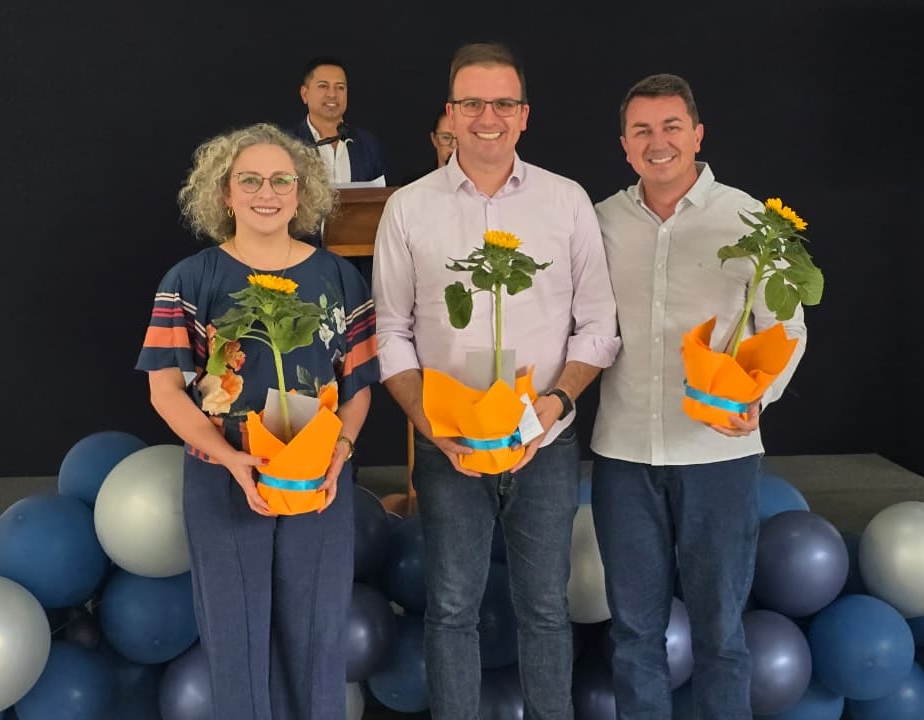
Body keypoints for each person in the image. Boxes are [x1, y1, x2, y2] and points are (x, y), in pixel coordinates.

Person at [372, 42, 620, 719]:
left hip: (546, 443)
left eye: (504, 103)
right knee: (451, 608)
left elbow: (598, 326)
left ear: (525, 114)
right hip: (447, 445)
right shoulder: (409, 208)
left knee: (545, 609)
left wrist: (554, 403)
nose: (489, 117)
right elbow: (390, 332)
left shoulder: (566, 202)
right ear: (450, 114)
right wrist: (430, 424)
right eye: (473, 103)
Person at [136, 123, 378, 720]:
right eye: (249, 180)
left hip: (318, 480)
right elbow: (165, 390)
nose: (265, 193)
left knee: (318, 644)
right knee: (235, 644)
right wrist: (228, 458)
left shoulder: (340, 279)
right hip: (224, 477)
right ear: (224, 193)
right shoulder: (190, 281)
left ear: (302, 192)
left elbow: (358, 389)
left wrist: (341, 451)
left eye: (280, 181)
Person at [591, 74, 807, 718]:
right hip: (624, 455)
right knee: (633, 635)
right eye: (641, 131)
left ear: (698, 135)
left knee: (721, 634)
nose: (657, 142)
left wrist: (759, 399)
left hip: (718, 457)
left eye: (671, 127)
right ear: (624, 145)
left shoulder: (752, 222)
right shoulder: (599, 223)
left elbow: (786, 328)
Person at [291, 56, 386, 185]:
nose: (332, 94)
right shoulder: (288, 144)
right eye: (323, 86)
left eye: (340, 87)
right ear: (304, 94)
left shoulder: (367, 145)